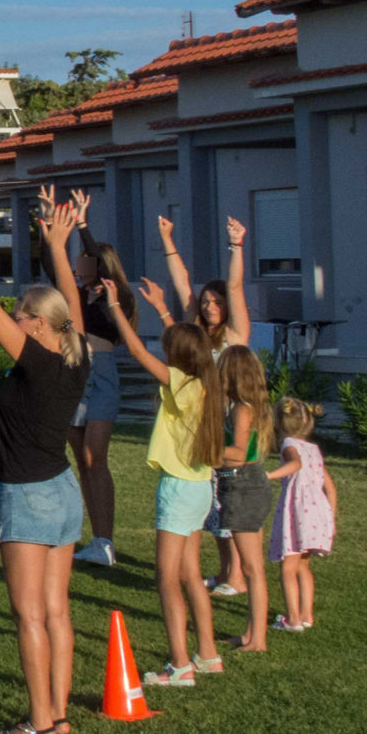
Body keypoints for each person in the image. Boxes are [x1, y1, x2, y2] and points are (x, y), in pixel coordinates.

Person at [0, 190, 88, 734]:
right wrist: (58, 243)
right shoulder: (76, 356)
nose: (11, 317)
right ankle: (57, 714)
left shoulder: (38, 363)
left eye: (20, 314)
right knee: (56, 612)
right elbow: (70, 306)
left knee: (29, 616)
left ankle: (40, 721)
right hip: (62, 489)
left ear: (35, 325)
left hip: (28, 496)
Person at [101, 280, 222, 688]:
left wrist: (116, 306)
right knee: (190, 574)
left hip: (178, 488)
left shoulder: (181, 384)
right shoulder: (206, 383)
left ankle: (180, 664)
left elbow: (136, 352)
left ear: (177, 359)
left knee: (167, 579)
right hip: (202, 487)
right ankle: (208, 653)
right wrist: (162, 307)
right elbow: (190, 340)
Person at [157, 215, 253, 597]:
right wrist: (167, 238)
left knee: (227, 497)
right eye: (207, 302)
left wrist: (236, 246)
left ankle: (238, 576)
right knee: (210, 501)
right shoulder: (196, 333)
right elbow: (182, 283)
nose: (211, 306)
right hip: (202, 422)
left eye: (217, 301)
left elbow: (236, 284)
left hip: (229, 419)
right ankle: (227, 571)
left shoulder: (235, 333)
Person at [67, 234, 137, 567]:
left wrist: (82, 224)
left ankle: (106, 540)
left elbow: (96, 257)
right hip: (77, 370)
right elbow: (52, 270)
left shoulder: (116, 297)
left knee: (96, 457)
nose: (80, 267)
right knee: (82, 458)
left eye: (86, 261)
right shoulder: (78, 296)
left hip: (103, 371)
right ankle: (96, 539)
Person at [210, 345, 274, 654]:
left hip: (243, 486)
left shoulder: (241, 409)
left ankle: (257, 639)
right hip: (243, 486)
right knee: (252, 567)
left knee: (252, 568)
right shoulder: (243, 406)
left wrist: (204, 451)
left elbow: (237, 453)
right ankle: (251, 633)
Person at [266, 398, 334, 631]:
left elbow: (294, 463)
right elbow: (330, 487)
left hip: (298, 511)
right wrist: (330, 518)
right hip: (317, 512)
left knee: (288, 566)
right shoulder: (313, 449)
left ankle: (292, 619)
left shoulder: (288, 444)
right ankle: (307, 615)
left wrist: (270, 476)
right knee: (303, 566)